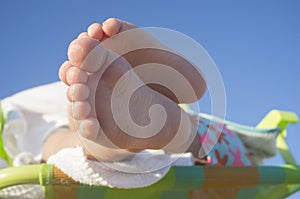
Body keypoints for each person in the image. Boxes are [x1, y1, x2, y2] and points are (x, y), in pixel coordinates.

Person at [41, 18, 207, 163]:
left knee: (59, 142)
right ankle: (166, 119)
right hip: (215, 141)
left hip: (73, 110)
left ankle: (103, 142)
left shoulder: (38, 105)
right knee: (191, 135)